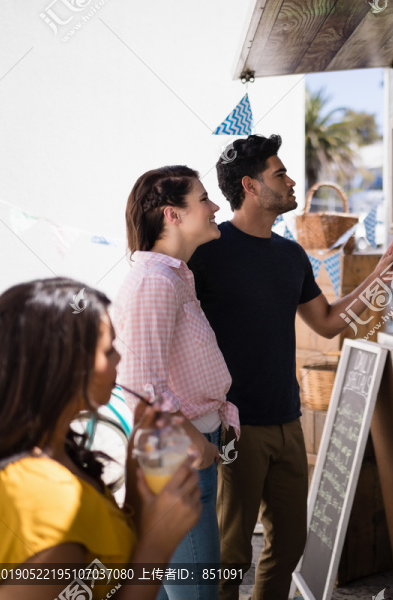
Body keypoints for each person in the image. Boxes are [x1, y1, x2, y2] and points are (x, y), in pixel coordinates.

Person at [187, 134, 393, 600]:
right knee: (231, 554)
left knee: (289, 544)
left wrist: (378, 276)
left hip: (289, 419)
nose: (291, 182)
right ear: (249, 186)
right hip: (233, 426)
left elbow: (327, 323)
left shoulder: (291, 255)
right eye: (280, 174)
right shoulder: (208, 250)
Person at [0, 278, 201, 600]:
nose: (119, 361)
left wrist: (137, 473)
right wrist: (157, 548)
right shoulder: (43, 499)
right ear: (64, 367)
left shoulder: (48, 458)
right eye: (108, 350)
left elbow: (97, 568)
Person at [113, 166, 241, 600]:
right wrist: (197, 444)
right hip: (177, 456)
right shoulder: (155, 281)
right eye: (204, 199)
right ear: (173, 215)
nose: (215, 207)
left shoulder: (172, 277)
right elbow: (138, 386)